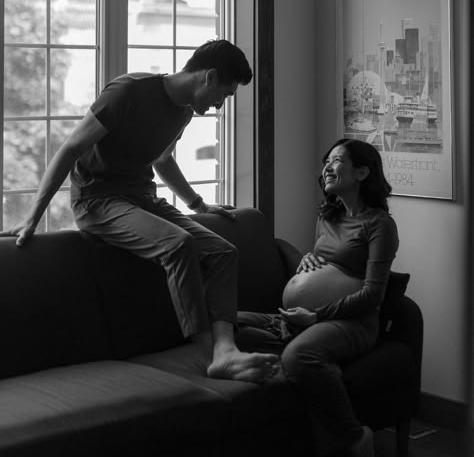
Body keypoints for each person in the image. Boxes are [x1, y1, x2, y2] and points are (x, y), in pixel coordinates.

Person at [2, 39, 278, 384]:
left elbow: (162, 160)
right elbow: (71, 148)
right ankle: (207, 353)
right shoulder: (128, 93)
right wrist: (33, 217)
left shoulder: (183, 111)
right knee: (178, 245)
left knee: (223, 252)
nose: (220, 104)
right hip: (97, 201)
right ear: (208, 76)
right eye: (224, 94)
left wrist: (197, 205)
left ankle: (226, 351)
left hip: (141, 198)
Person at [237, 138, 399, 457]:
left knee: (298, 357)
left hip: (352, 322)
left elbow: (372, 294)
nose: (327, 167)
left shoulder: (380, 225)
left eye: (336, 160)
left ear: (363, 172)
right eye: (326, 161)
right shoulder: (327, 216)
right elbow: (323, 261)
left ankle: (354, 437)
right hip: (302, 318)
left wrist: (315, 317)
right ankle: (318, 366)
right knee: (227, 324)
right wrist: (306, 260)